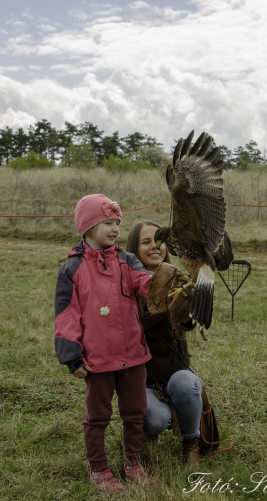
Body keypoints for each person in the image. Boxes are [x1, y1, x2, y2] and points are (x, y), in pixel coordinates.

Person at [54, 194, 155, 493]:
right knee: (97, 416)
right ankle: (98, 469)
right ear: (87, 227)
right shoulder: (71, 270)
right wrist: (71, 355)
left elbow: (146, 282)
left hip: (133, 355)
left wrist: (170, 283)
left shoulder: (127, 261)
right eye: (107, 223)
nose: (115, 229)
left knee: (135, 412)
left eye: (117, 223)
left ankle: (134, 463)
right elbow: (66, 315)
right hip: (97, 360)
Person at [126, 220, 204, 468]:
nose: (155, 247)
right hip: (142, 377)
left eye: (159, 242)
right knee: (154, 420)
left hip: (174, 370)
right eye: (146, 242)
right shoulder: (125, 284)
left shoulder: (177, 278)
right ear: (133, 248)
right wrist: (162, 310)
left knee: (187, 384)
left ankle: (191, 444)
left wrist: (191, 306)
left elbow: (189, 326)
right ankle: (149, 428)